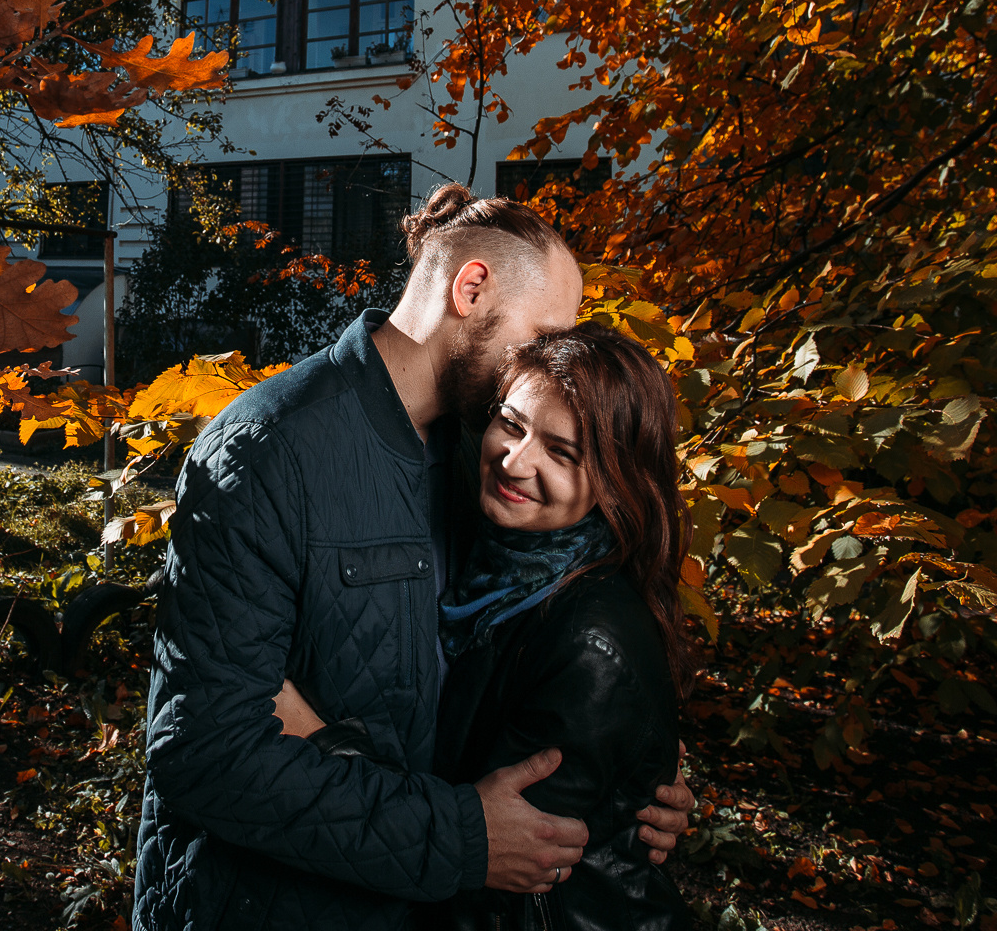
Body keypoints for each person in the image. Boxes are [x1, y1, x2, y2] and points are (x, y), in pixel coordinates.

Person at [133, 185, 694, 929]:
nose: (549, 362)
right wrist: (458, 835)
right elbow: (202, 753)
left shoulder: (483, 459)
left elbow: (540, 657)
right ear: (471, 289)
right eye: (544, 332)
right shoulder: (270, 449)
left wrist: (624, 778)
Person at [277, 324, 695, 930]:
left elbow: (492, 861)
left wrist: (321, 742)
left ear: (615, 481)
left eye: (563, 452)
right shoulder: (500, 565)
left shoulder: (588, 641)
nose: (515, 459)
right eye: (512, 423)